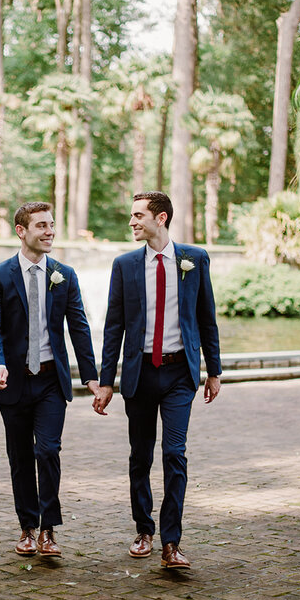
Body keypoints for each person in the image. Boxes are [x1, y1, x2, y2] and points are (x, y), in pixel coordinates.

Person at [93, 191, 222, 569]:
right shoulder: (125, 265)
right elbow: (113, 325)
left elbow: (206, 317)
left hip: (180, 372)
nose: (132, 222)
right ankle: (143, 530)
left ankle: (171, 542)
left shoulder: (194, 260)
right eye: (131, 216)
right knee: (141, 456)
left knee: (174, 454)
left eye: (138, 215)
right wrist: (106, 382)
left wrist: (213, 371)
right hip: (140, 373)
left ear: (160, 218)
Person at [0, 201, 100, 558]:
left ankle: (49, 529)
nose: (49, 232)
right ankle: (27, 528)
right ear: (21, 231)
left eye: (51, 225)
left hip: (50, 381)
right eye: (41, 226)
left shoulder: (65, 274)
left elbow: (78, 327)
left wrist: (91, 377)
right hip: (13, 383)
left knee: (48, 451)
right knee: (19, 457)